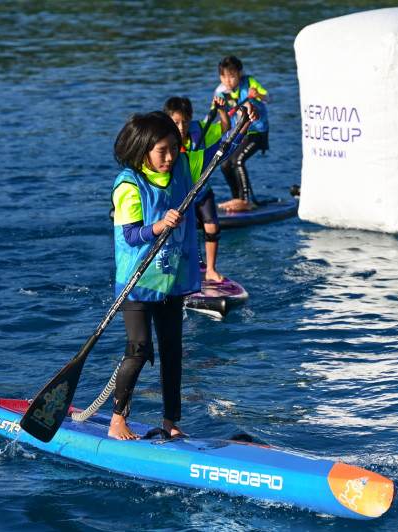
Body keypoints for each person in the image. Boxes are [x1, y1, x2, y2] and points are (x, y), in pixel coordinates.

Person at [109, 106, 258, 440]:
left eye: (174, 148)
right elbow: (131, 235)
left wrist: (244, 122)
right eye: (162, 151)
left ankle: (171, 422)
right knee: (140, 349)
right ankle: (117, 420)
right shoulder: (128, 184)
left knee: (172, 352)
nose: (170, 157)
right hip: (138, 282)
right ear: (143, 151)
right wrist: (160, 225)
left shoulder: (185, 165)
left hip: (171, 280)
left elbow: (222, 151)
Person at [163, 96, 229, 282]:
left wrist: (222, 110)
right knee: (182, 233)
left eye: (185, 121)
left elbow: (226, 129)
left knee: (212, 227)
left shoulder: (200, 129)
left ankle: (211, 269)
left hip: (202, 190)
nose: (181, 127)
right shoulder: (164, 138)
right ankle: (179, 269)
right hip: (180, 195)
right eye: (176, 122)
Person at [213, 55, 271, 212]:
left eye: (231, 76)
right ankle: (237, 199)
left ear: (240, 74)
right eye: (223, 76)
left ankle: (245, 201)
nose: (227, 81)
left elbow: (269, 98)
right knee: (225, 164)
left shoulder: (250, 82)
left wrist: (258, 95)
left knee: (238, 160)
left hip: (257, 132)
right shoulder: (220, 92)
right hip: (238, 134)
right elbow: (215, 115)